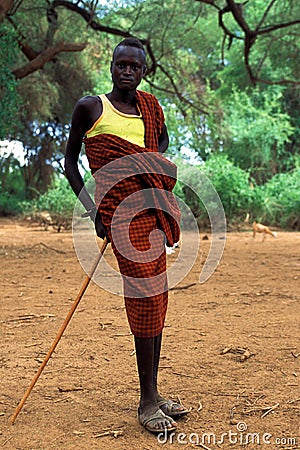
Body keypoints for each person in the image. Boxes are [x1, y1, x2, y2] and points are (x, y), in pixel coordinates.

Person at [65, 37, 188, 434]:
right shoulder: (91, 108)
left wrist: (151, 163)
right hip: (119, 217)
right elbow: (70, 164)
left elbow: (162, 143)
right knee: (144, 297)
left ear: (143, 71)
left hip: (151, 210)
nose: (128, 71)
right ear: (112, 66)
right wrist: (93, 210)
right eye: (122, 65)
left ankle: (153, 393)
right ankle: (147, 401)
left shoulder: (151, 108)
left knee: (156, 295)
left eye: (136, 66)